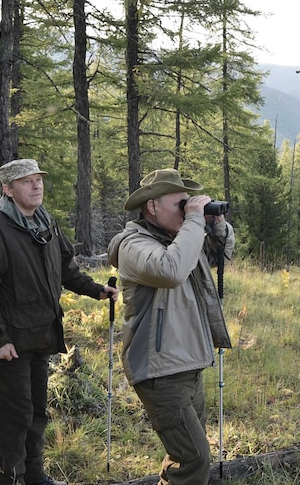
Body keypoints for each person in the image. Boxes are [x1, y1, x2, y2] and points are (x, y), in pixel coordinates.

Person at [0, 158, 119, 485]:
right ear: (8, 189)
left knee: (36, 412)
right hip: (9, 345)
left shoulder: (45, 222)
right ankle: (9, 478)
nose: (36, 186)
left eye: (38, 179)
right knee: (15, 416)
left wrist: (96, 290)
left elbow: (66, 269)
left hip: (41, 337)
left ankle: (34, 475)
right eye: (26, 181)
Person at [107, 168, 234, 485]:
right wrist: (192, 222)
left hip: (189, 362)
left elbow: (219, 258)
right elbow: (171, 270)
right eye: (181, 204)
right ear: (151, 206)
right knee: (195, 457)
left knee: (183, 453)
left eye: (189, 204)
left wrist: (215, 226)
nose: (188, 210)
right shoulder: (133, 246)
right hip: (159, 370)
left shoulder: (178, 240)